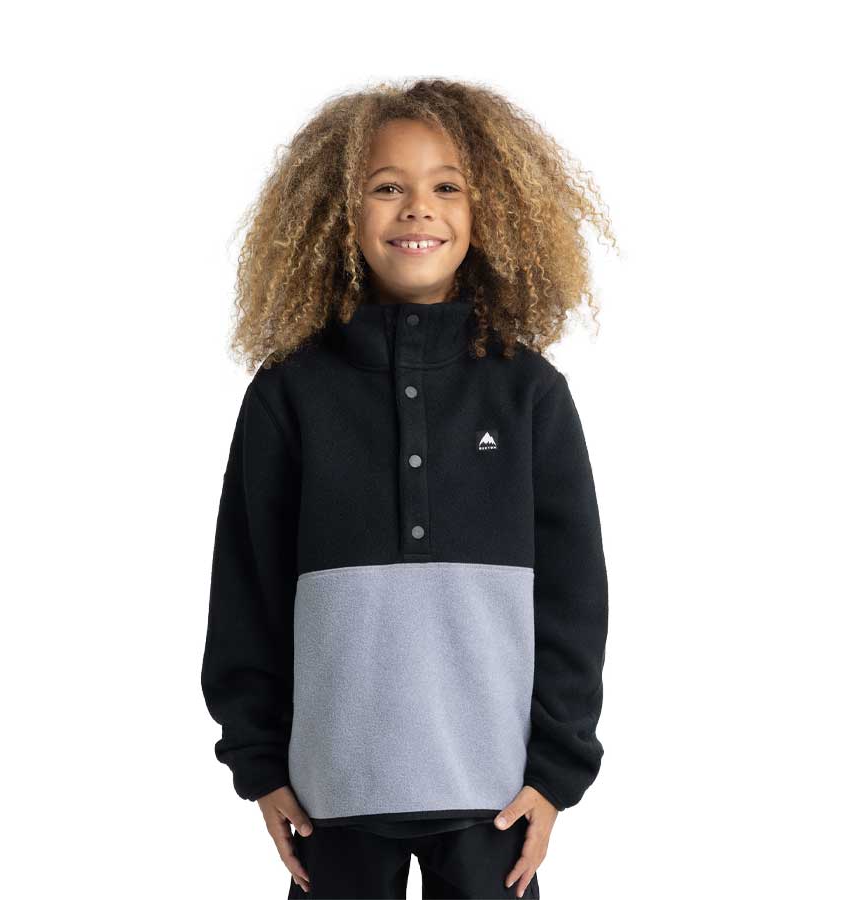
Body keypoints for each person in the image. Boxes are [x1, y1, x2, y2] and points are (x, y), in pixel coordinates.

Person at [201, 77, 616, 899]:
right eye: (387, 187)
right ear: (338, 214)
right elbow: (246, 586)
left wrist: (555, 771)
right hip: (332, 793)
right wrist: (259, 763)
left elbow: (574, 597)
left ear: (490, 211)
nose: (418, 208)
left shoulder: (529, 394)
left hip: (494, 794)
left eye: (447, 187)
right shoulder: (288, 395)